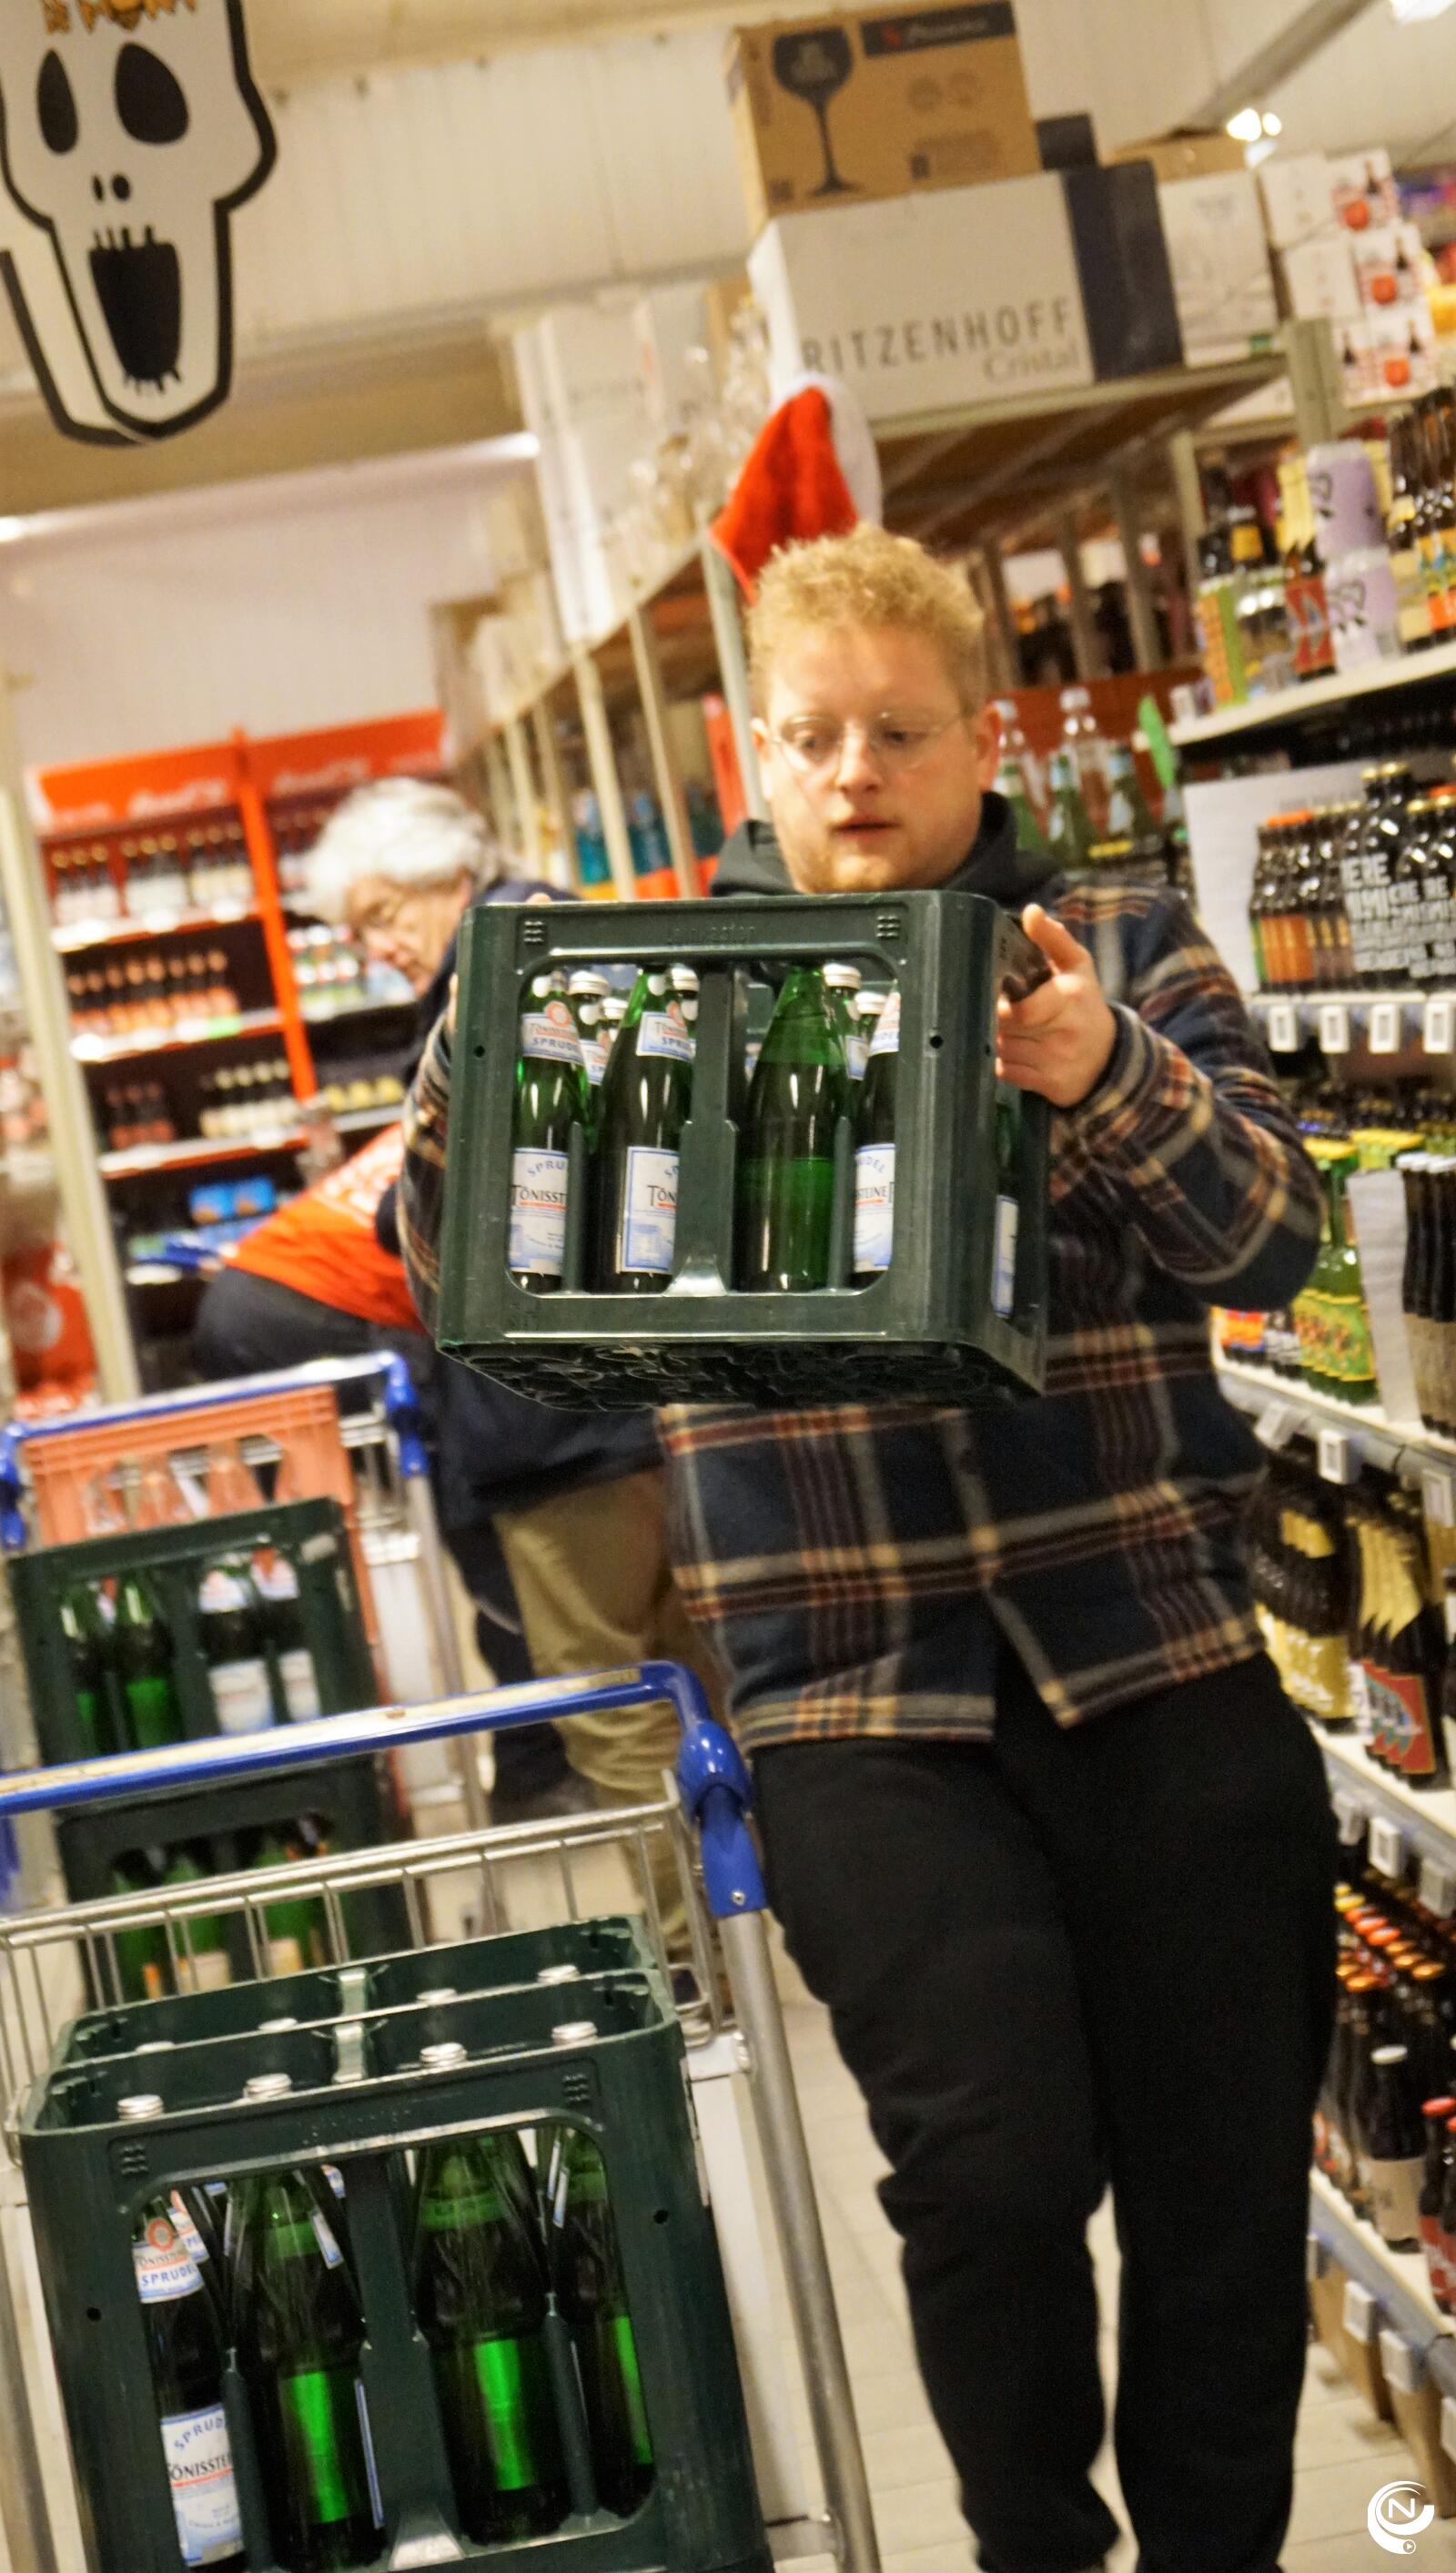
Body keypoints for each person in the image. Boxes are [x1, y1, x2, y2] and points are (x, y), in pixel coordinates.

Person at [396, 525, 1337, 2573]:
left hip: (1156, 1654)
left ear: (981, 737)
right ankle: (1027, 2546)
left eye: (897, 732)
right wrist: (474, 1068)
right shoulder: (662, 993)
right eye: (810, 735)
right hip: (848, 1693)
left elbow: (1274, 1236)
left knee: (1217, 2198)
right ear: (749, 745)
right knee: (987, 2171)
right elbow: (455, 1257)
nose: (851, 774)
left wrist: (1101, 1077)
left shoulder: (1116, 942)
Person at [304, 775, 723, 1940]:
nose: (376, 945)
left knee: (611, 1701)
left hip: (558, 1415)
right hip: (658, 1389)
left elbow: (475, 1198)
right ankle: (744, 1920)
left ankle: (698, 1958)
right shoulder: (565, 940)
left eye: (384, 912)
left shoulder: (495, 980)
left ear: (449, 876)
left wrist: (406, 1216)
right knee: (694, 1675)